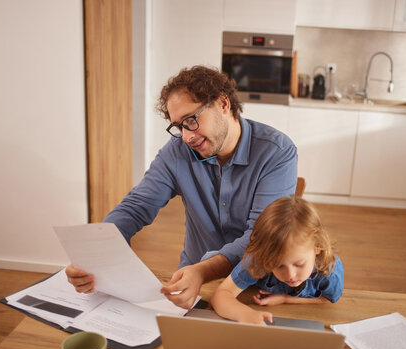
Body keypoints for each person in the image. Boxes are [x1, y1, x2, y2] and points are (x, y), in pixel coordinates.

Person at [66, 65, 298, 309]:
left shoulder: (277, 152)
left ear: (223, 104)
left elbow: (260, 238)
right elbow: (136, 206)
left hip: (254, 285)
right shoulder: (177, 152)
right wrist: (94, 254)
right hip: (191, 280)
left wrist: (202, 272)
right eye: (179, 126)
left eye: (191, 120)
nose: (187, 137)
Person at [210, 196, 344, 325]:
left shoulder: (329, 271)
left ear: (318, 247)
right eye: (278, 266)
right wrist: (245, 314)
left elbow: (327, 299)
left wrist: (285, 299)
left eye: (299, 264)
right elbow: (221, 295)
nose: (290, 275)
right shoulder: (259, 258)